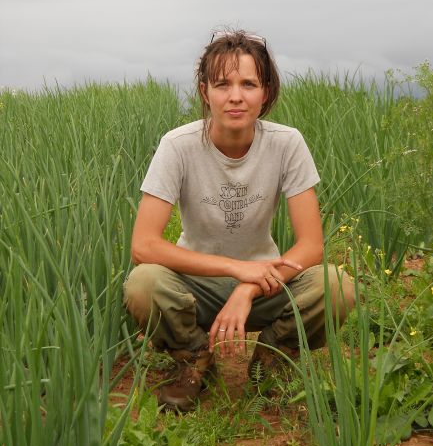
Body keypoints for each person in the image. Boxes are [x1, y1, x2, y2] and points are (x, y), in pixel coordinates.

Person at [124, 29, 355, 411]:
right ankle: (194, 355)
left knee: (336, 286)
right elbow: (143, 246)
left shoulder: (287, 143)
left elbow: (311, 245)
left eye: (248, 83)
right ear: (205, 92)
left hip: (267, 285)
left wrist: (248, 286)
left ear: (264, 92)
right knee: (143, 283)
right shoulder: (177, 146)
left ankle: (273, 356)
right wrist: (235, 268)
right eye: (222, 84)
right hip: (194, 287)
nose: (235, 96)